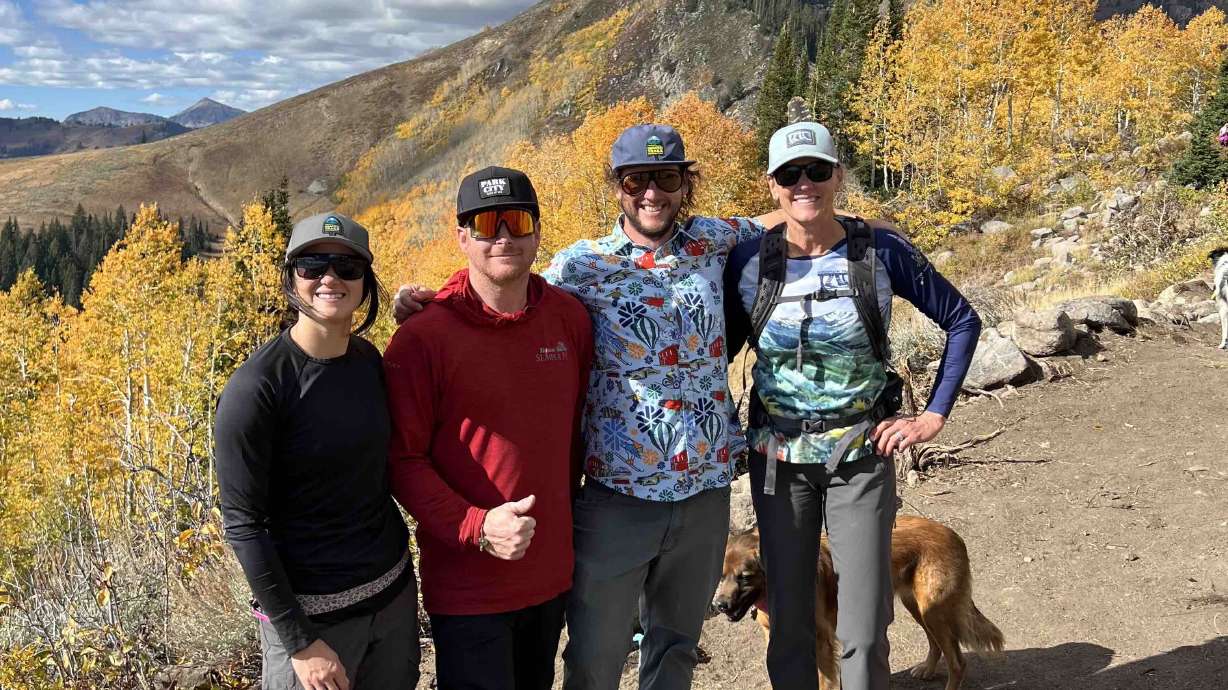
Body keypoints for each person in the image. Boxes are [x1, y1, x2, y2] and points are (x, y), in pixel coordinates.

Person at [723, 121, 982, 690]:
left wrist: (933, 413)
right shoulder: (749, 263)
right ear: (772, 185)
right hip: (776, 462)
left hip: (859, 455)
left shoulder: (878, 251)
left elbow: (962, 320)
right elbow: (709, 352)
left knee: (864, 625)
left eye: (817, 170)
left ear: (838, 175)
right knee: (788, 620)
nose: (804, 183)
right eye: (790, 174)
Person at [383, 166, 593, 690]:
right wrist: (477, 527)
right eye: (484, 224)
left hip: (549, 576)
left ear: (538, 231)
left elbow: (575, 431)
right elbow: (401, 463)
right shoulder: (422, 340)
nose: (502, 236)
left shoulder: (568, 319)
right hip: (468, 588)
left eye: (516, 221)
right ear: (461, 237)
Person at [215, 212, 418, 690]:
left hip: (392, 601)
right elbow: (245, 526)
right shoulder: (257, 389)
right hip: (313, 628)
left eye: (348, 268)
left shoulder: (368, 361)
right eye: (313, 266)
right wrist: (301, 643)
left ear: (366, 283)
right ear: (292, 278)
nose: (330, 278)